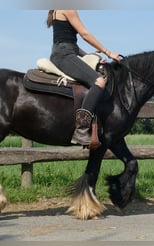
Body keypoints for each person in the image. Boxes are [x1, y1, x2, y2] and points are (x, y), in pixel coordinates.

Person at [47, 10, 120, 148]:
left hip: (64, 52)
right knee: (99, 81)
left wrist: (91, 57)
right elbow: (85, 34)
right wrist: (108, 52)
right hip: (65, 55)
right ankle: (81, 129)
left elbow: (71, 44)